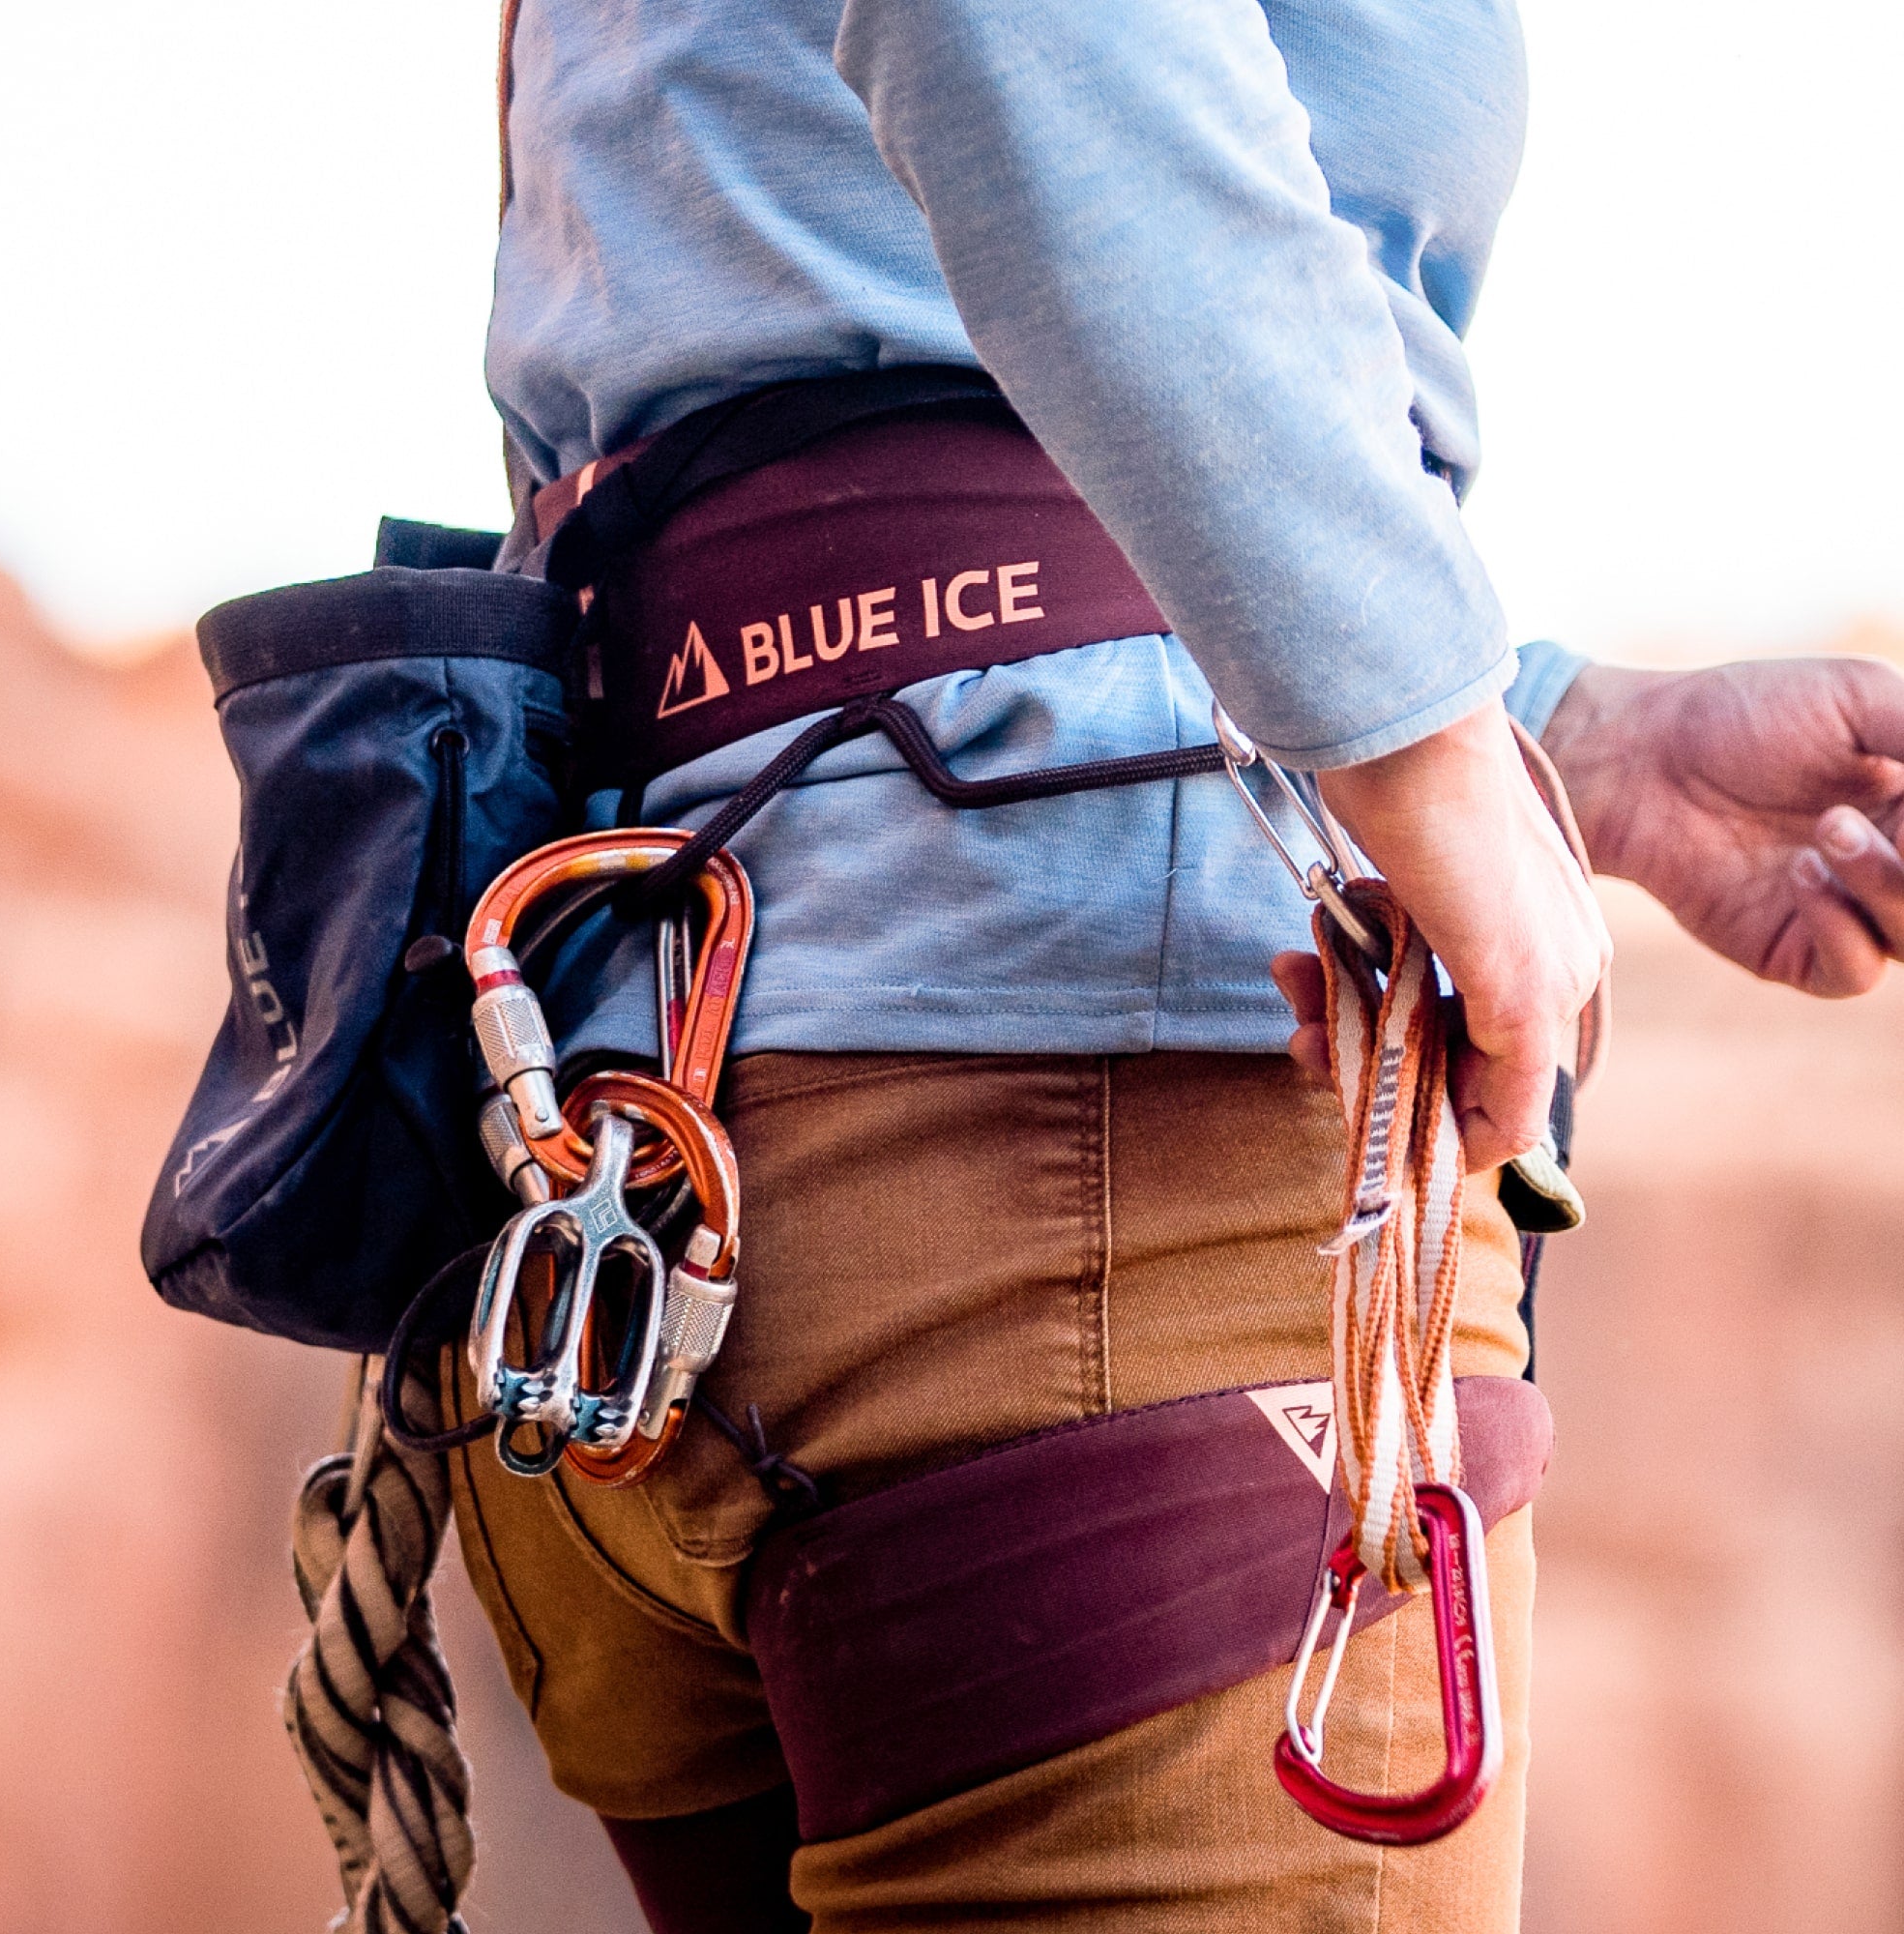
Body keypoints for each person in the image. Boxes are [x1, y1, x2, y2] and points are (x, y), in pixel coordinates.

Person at [442, 2, 1904, 1927]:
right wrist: (1422, 742)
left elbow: (817, 355)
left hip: (631, 1158)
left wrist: (1550, 737)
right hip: (1096, 1196)